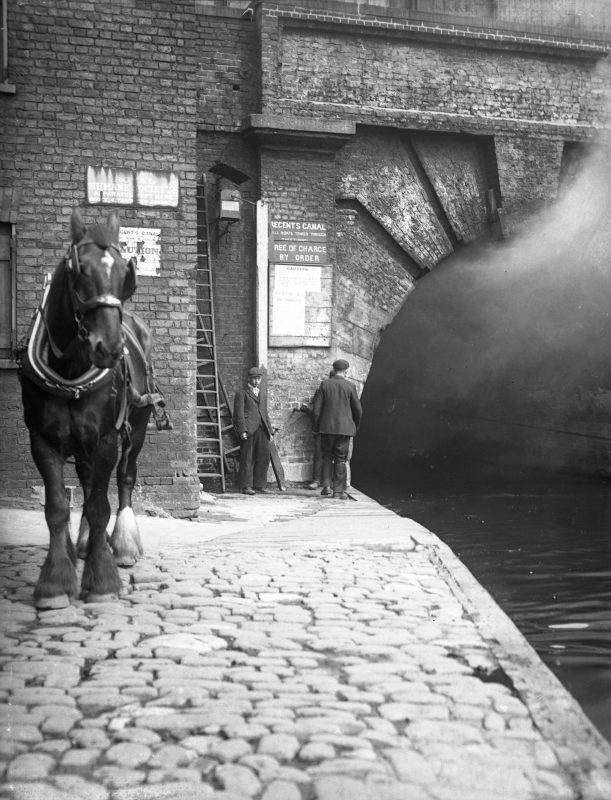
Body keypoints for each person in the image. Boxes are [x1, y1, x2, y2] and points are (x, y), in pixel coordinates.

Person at [312, 358, 362, 500]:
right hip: (344, 429)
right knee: (341, 459)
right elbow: (358, 410)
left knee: (327, 456)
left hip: (326, 428)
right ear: (346, 371)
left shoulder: (324, 385)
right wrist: (354, 426)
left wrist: (317, 427)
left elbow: (316, 410)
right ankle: (338, 492)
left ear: (334, 370)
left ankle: (326, 487)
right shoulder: (350, 386)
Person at [233, 366, 273, 495]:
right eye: (254, 379)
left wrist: (270, 431)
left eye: (258, 379)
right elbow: (238, 414)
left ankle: (260, 485)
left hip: (262, 429)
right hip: (249, 430)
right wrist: (242, 430)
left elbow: (265, 413)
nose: (256, 381)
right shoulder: (242, 393)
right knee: (247, 458)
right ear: (249, 379)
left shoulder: (262, 393)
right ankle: (246, 486)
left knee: (263, 457)